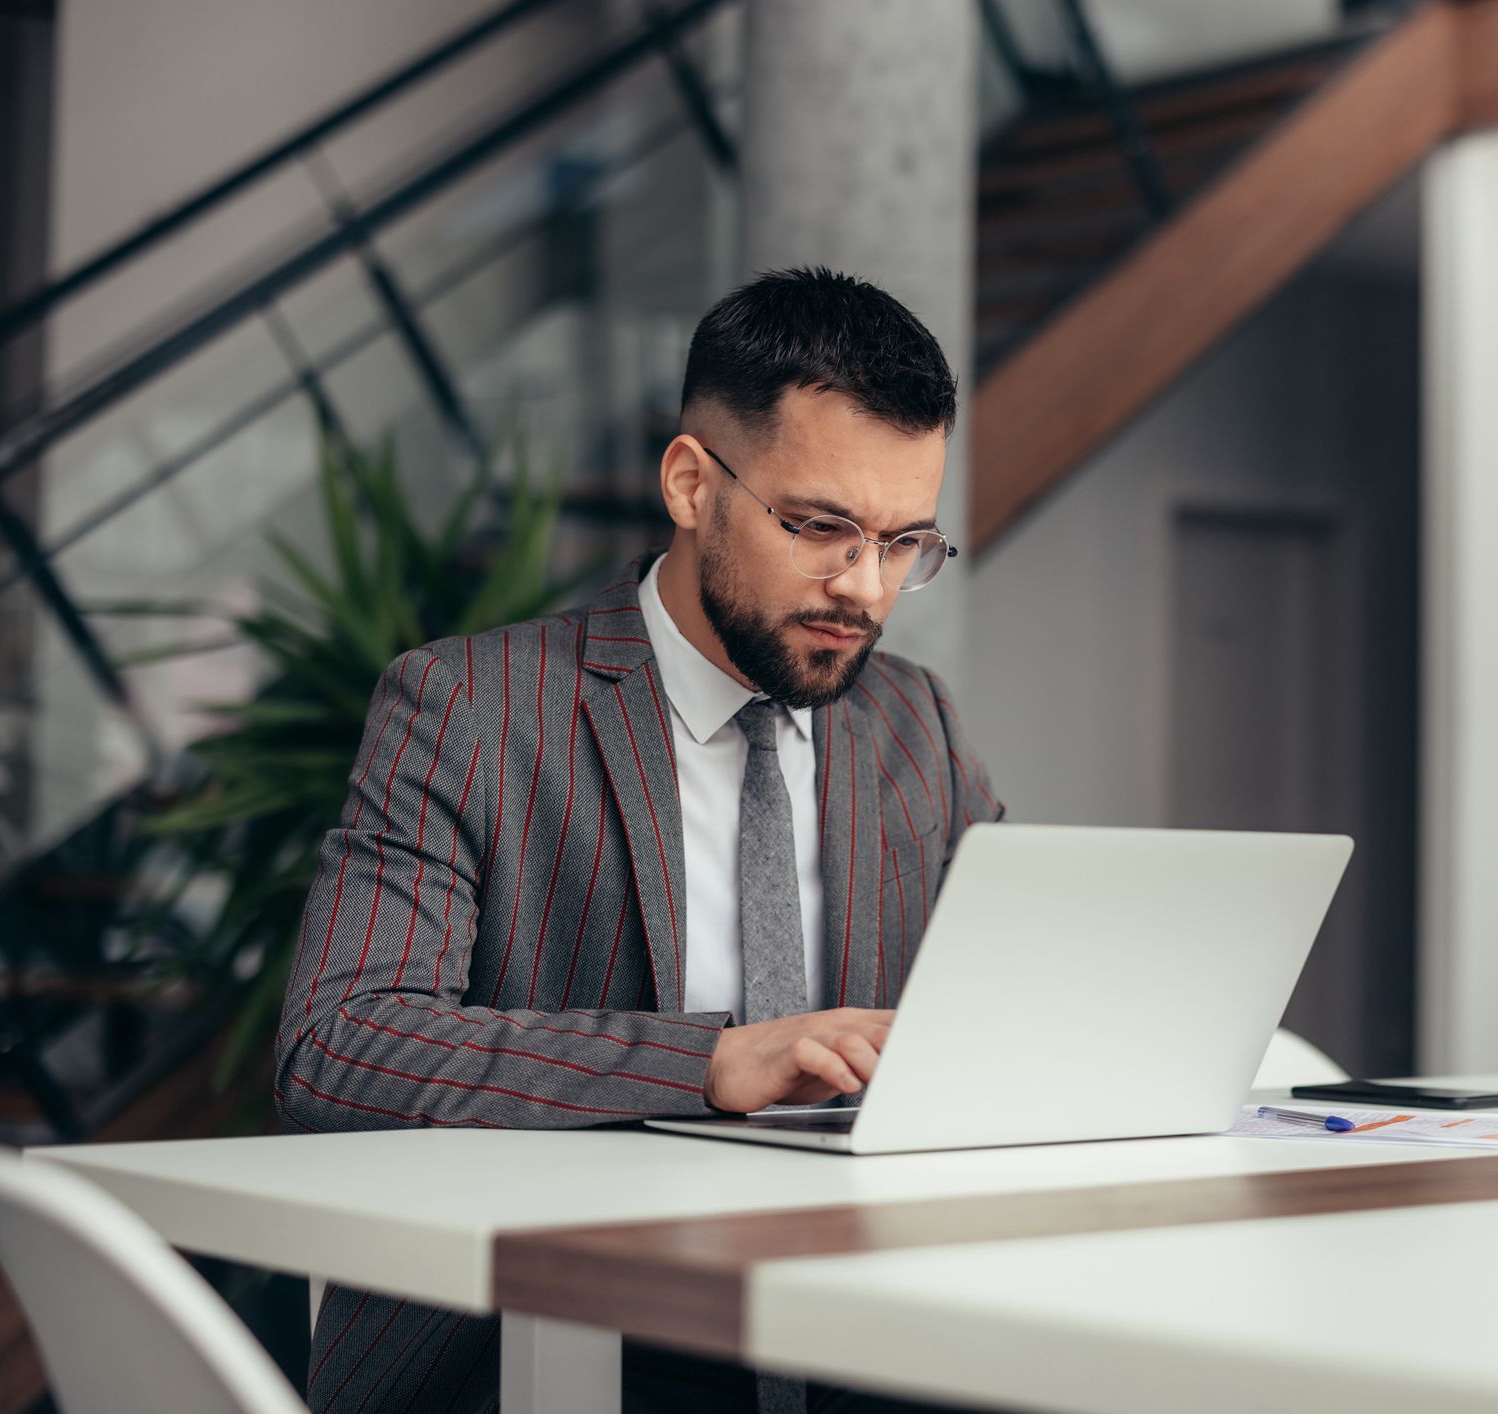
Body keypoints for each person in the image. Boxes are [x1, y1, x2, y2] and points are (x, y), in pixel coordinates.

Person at [277, 266, 1004, 1413]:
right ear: (688, 483)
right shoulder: (468, 706)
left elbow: (1003, 1011)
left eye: (905, 540)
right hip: (556, 1344)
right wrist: (707, 1063)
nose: (862, 586)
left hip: (867, 1334)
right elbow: (340, 1043)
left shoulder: (916, 722)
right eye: (820, 527)